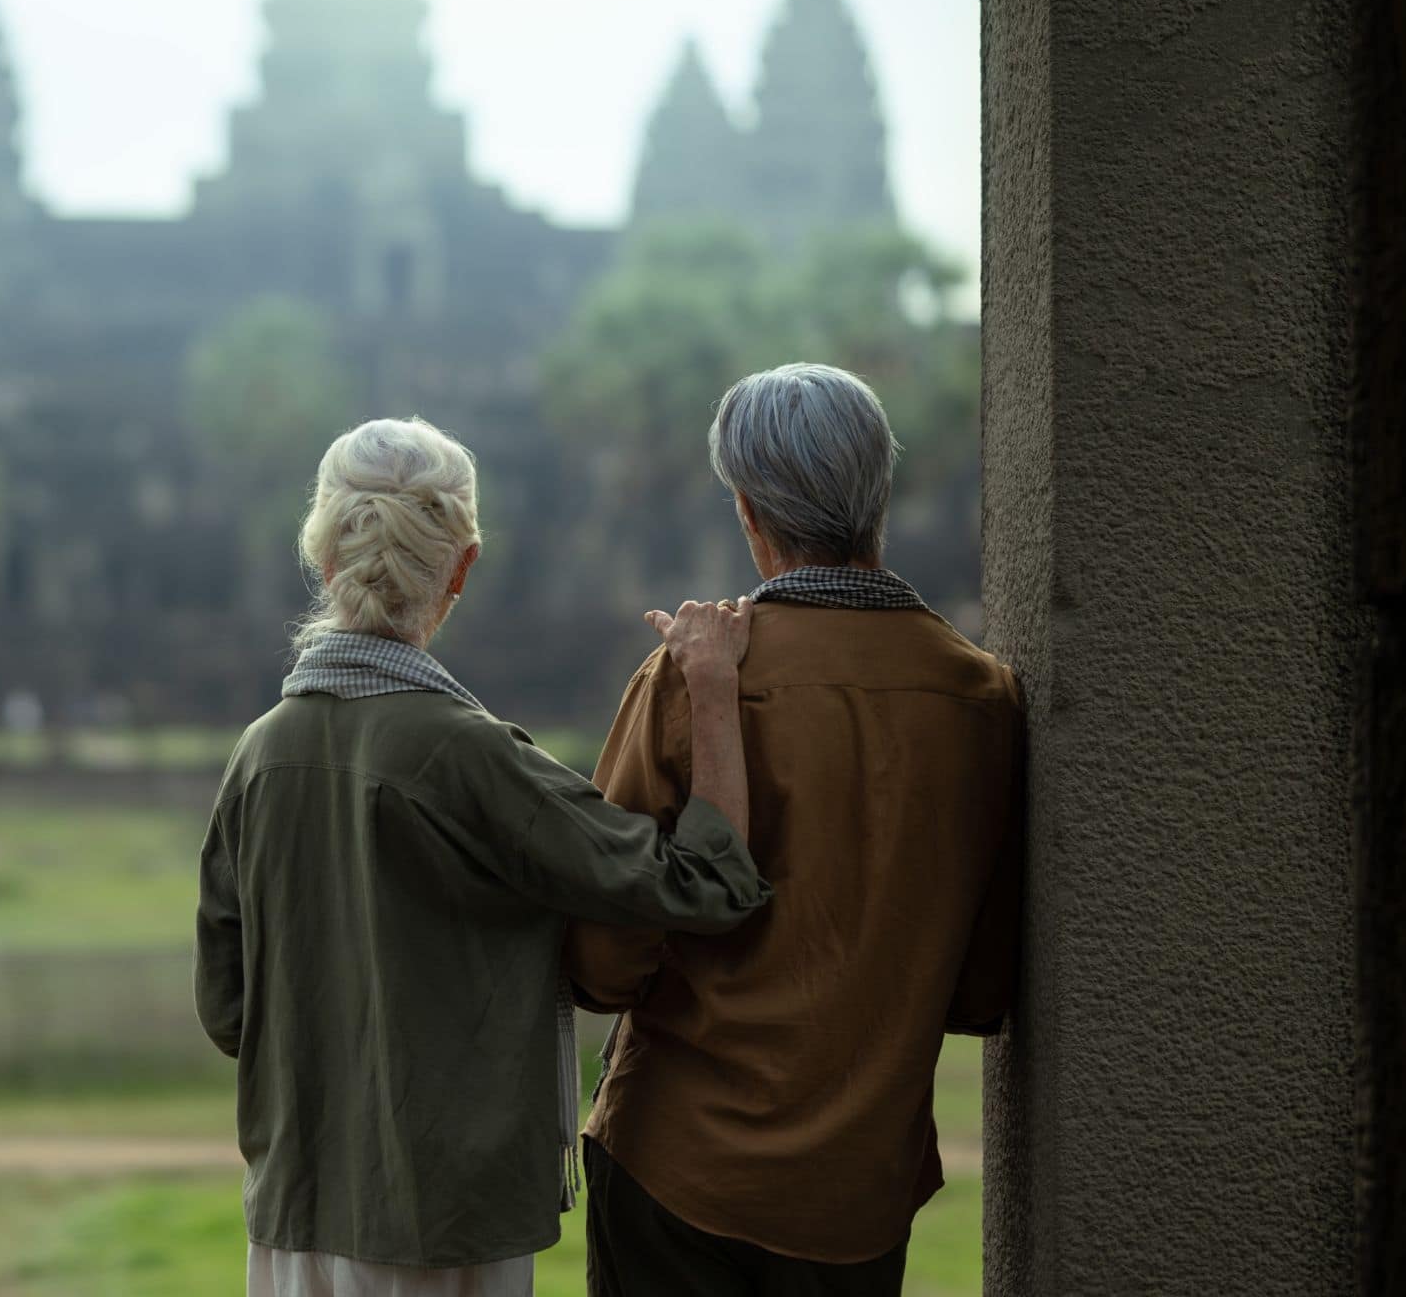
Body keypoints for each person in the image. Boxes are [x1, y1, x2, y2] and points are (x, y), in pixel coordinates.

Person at [195, 416, 775, 1297]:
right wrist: (713, 694)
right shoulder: (468, 754)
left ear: (320, 559)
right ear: (460, 568)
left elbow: (229, 1010)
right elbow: (708, 882)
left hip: (289, 1217)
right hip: (442, 1219)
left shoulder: (258, 754)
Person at [565, 363, 1025, 1297]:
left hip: (678, 1172)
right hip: (856, 1195)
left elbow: (605, 964)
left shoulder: (696, 679)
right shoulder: (982, 699)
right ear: (879, 495)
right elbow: (980, 992)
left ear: (747, 509)